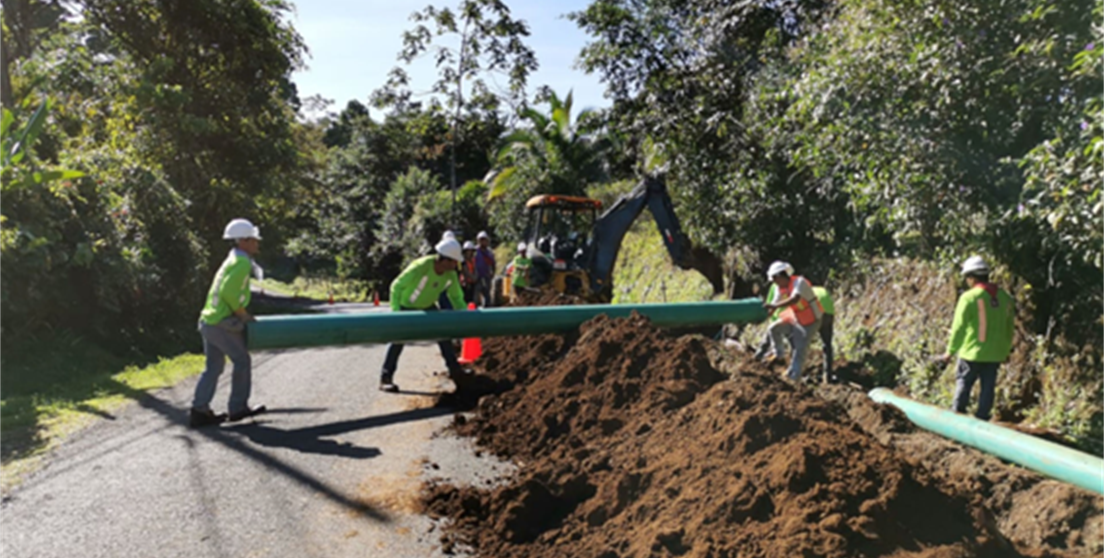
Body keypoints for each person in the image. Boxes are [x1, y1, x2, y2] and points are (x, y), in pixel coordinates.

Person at [190, 218, 267, 428]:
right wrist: (242, 315)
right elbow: (229, 292)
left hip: (209, 320)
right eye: (254, 239)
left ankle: (199, 410)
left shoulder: (232, 258)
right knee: (242, 361)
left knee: (213, 367)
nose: (257, 243)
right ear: (243, 241)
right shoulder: (241, 262)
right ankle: (238, 408)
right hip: (222, 322)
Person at [380, 238, 470, 392]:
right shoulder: (421, 267)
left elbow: (456, 298)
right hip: (406, 307)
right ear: (444, 260)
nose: (456, 265)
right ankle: (385, 377)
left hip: (428, 307)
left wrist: (467, 317)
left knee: (443, 336)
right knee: (398, 341)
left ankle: (456, 372)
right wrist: (396, 313)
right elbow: (396, 286)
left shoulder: (450, 274)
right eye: (454, 262)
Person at [935, 256, 1015, 421]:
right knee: (988, 388)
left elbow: (959, 328)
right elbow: (1009, 329)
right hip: (995, 354)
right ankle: (982, 421)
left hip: (972, 352)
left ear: (971, 277)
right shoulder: (1005, 299)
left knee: (964, 384)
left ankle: (957, 419)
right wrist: (1005, 351)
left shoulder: (969, 298)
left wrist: (949, 352)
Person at [763, 261, 825, 381]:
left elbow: (795, 299)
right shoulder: (779, 288)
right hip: (796, 318)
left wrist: (774, 307)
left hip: (811, 319)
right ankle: (778, 354)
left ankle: (794, 377)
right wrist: (765, 313)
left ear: (781, 275)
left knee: (800, 348)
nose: (774, 282)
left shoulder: (799, 282)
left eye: (775, 279)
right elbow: (775, 303)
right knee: (773, 328)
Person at [813, 285, 837, 383]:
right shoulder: (823, 290)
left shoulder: (804, 292)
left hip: (815, 314)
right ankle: (827, 376)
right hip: (829, 314)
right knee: (827, 344)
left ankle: (798, 373)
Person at [474, 231, 496, 307]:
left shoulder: (489, 252)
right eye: (481, 240)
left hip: (486, 276)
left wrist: (493, 272)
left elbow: (493, 263)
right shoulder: (475, 251)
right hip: (477, 276)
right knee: (476, 294)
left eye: (484, 240)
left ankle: (487, 308)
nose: (483, 242)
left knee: (487, 294)